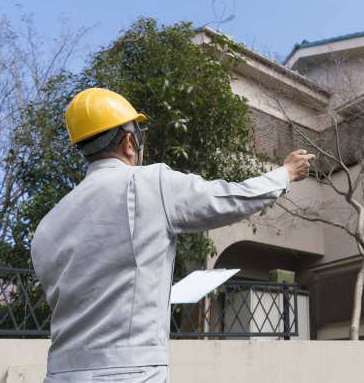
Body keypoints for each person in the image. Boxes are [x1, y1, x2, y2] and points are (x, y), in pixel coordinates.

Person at [31, 88, 314, 382]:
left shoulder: (48, 225)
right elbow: (231, 198)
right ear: (129, 142)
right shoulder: (149, 184)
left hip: (60, 373)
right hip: (131, 372)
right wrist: (286, 173)